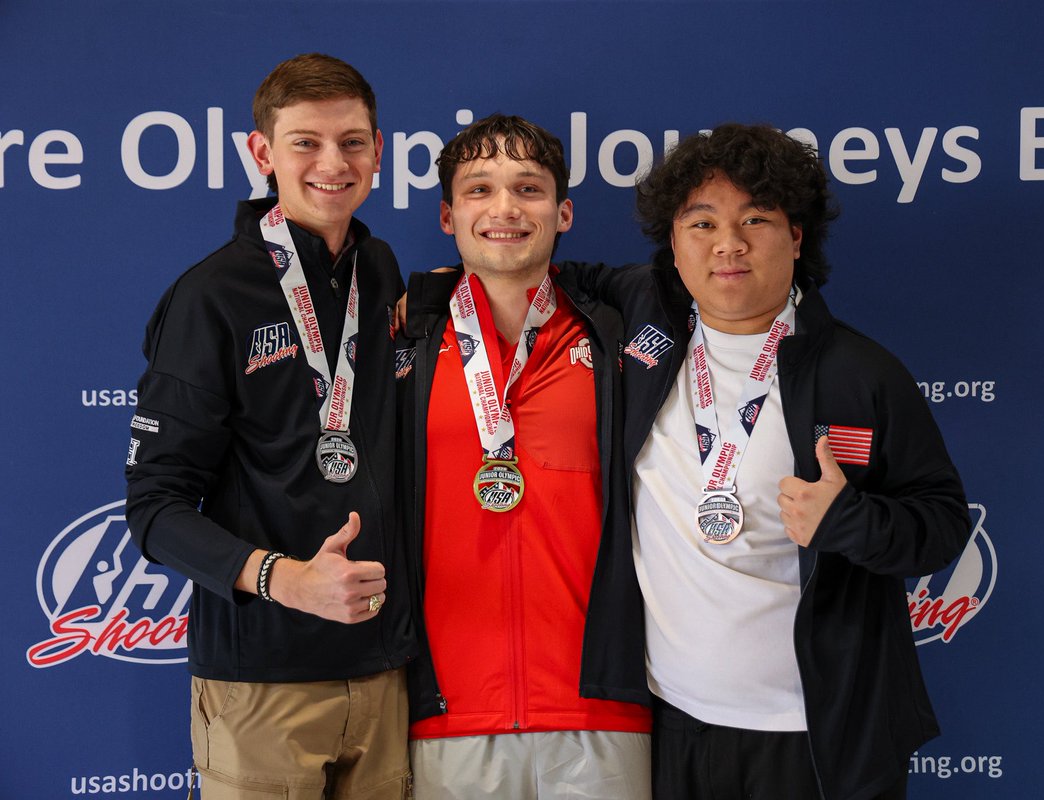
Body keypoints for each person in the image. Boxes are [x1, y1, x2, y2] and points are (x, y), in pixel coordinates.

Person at [558, 123, 972, 800]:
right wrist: (435, 292)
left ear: (798, 236)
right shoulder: (642, 322)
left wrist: (849, 521)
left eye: (756, 219)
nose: (729, 244)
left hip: (815, 738)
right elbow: (527, 271)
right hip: (669, 726)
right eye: (702, 222)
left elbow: (944, 524)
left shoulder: (859, 374)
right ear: (672, 242)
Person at [124, 53, 416, 800]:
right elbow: (154, 511)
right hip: (261, 682)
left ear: (379, 152)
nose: (332, 162)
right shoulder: (210, 297)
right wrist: (283, 580)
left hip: (385, 674)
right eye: (305, 142)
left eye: (352, 141)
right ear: (262, 153)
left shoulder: (379, 271)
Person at [395, 114, 652, 799]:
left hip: (602, 709)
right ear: (449, 216)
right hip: (447, 715)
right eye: (479, 190)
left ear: (562, 212)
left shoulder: (613, 334)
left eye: (529, 189)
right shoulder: (403, 344)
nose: (505, 208)